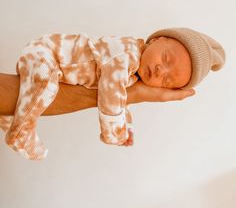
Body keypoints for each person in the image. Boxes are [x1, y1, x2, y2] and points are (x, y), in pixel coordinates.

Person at [0, 27, 225, 161]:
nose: (160, 71)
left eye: (167, 80)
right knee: (44, 90)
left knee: (33, 93)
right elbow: (110, 92)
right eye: (166, 59)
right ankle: (21, 133)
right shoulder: (127, 54)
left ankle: (9, 119)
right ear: (156, 39)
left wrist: (127, 126)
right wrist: (114, 134)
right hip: (46, 54)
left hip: (51, 66)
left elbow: (120, 97)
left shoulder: (133, 71)